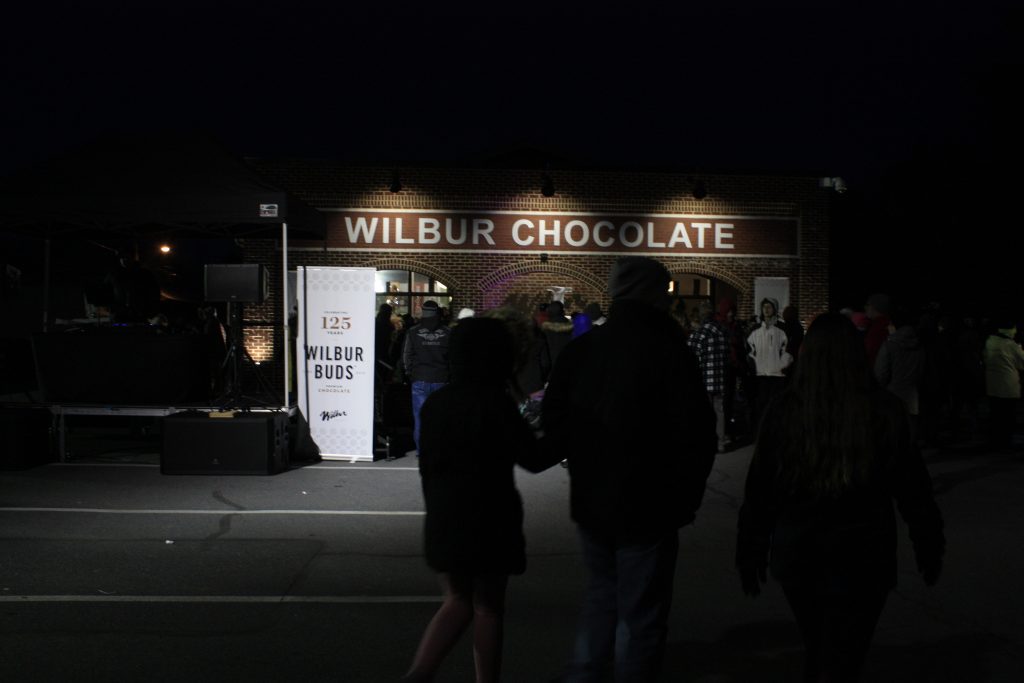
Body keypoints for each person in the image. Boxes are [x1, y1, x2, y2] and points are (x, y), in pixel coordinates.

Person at [736, 313, 945, 683]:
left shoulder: (785, 410)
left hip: (800, 553)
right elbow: (912, 487)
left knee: (818, 646)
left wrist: (751, 547)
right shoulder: (883, 409)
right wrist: (928, 540)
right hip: (865, 554)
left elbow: (761, 491)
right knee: (847, 654)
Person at [542, 256, 718, 682]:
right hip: (651, 502)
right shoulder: (669, 350)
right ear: (653, 294)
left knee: (601, 596)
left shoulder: (585, 348)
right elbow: (697, 430)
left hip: (593, 498)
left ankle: (585, 674)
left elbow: (555, 420)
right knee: (641, 616)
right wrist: (687, 495)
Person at [403, 317, 554, 683]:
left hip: (444, 517)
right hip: (491, 520)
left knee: (457, 601)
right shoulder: (495, 403)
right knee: (488, 607)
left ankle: (419, 674)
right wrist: (570, 434)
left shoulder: (436, 404)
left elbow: (428, 465)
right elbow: (534, 458)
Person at [402, 300, 451, 452]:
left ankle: (422, 451)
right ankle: (439, 449)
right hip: (441, 379)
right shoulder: (447, 332)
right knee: (440, 417)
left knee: (420, 417)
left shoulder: (413, 332)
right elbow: (452, 357)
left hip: (420, 378)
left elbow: (407, 355)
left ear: (423, 312)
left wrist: (410, 373)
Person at [687, 300, 732, 452]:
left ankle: (706, 442)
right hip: (720, 378)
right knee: (719, 411)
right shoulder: (723, 332)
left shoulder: (699, 334)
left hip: (703, 379)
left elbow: (690, 357)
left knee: (704, 412)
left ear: (701, 315)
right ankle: (720, 443)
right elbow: (728, 355)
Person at [746, 297, 792, 428]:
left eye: (769, 306)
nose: (766, 309)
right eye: (764, 306)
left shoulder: (782, 329)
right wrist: (753, 367)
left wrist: (782, 366)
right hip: (760, 376)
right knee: (761, 405)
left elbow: (788, 350)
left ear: (775, 309)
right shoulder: (755, 329)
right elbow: (749, 350)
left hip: (777, 376)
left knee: (776, 405)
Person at [983, 313, 1024, 451]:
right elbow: (1022, 363)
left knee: (995, 415)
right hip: (1008, 386)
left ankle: (994, 441)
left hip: (992, 385)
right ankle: (1005, 444)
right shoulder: (1011, 345)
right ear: (1010, 329)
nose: (1016, 331)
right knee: (1008, 417)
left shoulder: (990, 341)